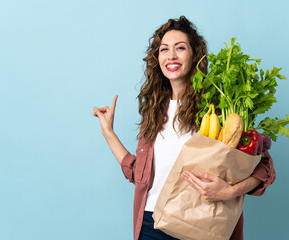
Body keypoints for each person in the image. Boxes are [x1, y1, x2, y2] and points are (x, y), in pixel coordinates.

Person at [93, 16, 276, 240]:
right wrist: (108, 132)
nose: (171, 55)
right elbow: (139, 174)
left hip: (203, 222)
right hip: (151, 224)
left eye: (180, 48)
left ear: (194, 55)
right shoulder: (154, 111)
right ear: (157, 58)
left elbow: (265, 169)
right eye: (164, 49)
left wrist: (228, 191)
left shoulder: (217, 109)